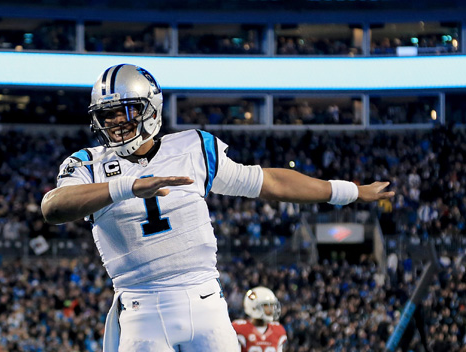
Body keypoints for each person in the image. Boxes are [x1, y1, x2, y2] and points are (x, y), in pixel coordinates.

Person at [41, 63, 394, 352]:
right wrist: (127, 186)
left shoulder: (192, 148)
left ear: (151, 109)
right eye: (108, 116)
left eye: (126, 112)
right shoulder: (86, 164)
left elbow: (269, 182)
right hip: (140, 310)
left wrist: (349, 191)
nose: (116, 124)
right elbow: (53, 207)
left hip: (205, 301)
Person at [232, 286, 287, 352]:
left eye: (272, 305)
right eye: (267, 305)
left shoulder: (278, 329)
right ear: (254, 307)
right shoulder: (239, 329)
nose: (272, 309)